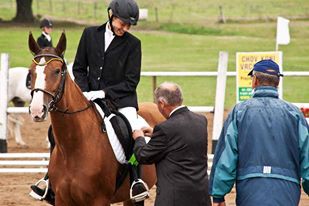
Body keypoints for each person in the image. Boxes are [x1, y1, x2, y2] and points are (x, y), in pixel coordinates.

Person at [72, 0, 149, 202]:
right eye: (122, 23)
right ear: (111, 15)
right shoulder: (90, 34)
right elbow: (79, 68)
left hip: (122, 100)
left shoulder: (134, 44)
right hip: (88, 97)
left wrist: (104, 93)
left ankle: (135, 179)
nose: (125, 28)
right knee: (62, 127)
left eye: (128, 25)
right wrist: (85, 91)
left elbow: (131, 81)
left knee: (131, 131)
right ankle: (50, 179)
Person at [209, 59, 309, 206]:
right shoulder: (294, 114)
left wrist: (218, 194)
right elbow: (307, 155)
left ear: (254, 80)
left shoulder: (240, 112)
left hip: (250, 187)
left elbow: (227, 157)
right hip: (287, 188)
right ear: (278, 83)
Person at [132, 82, 211, 206]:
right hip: (201, 197)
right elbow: (184, 139)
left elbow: (143, 156)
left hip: (173, 200)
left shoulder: (164, 129)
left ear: (162, 104)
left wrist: (139, 138)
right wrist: (155, 134)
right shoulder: (200, 121)